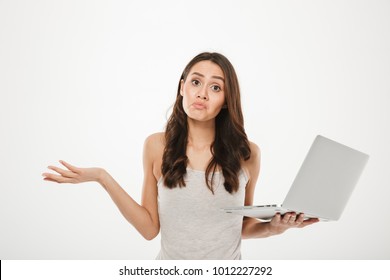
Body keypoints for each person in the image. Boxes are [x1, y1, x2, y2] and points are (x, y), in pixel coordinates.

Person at [42, 52, 319, 259]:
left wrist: (275, 227)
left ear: (226, 101)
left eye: (215, 87)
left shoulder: (248, 154)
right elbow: (150, 229)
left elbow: (241, 225)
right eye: (196, 82)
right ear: (182, 86)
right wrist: (102, 177)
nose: (202, 94)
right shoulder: (156, 146)